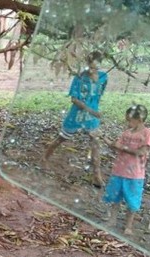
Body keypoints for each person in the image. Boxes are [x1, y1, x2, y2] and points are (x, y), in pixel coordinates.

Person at [42, 51, 108, 187]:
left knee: (95, 143)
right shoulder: (79, 78)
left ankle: (97, 175)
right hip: (77, 115)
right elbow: (74, 99)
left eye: (96, 66)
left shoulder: (103, 77)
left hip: (92, 117)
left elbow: (99, 94)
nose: (93, 69)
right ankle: (44, 158)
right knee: (62, 138)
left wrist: (93, 110)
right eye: (91, 65)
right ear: (88, 63)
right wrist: (91, 110)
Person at [102, 104, 150, 235]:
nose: (127, 122)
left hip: (135, 174)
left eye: (130, 120)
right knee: (115, 197)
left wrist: (122, 148)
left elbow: (142, 152)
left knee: (132, 200)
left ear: (140, 119)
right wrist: (108, 142)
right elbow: (117, 146)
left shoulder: (147, 133)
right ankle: (112, 220)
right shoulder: (126, 133)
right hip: (119, 170)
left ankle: (128, 226)